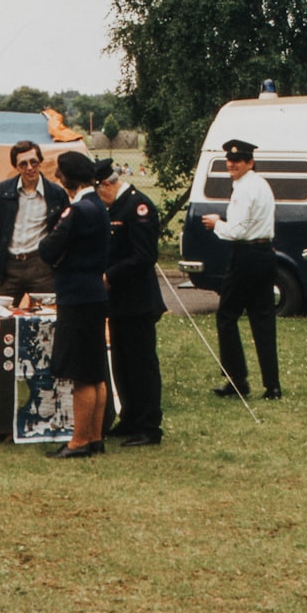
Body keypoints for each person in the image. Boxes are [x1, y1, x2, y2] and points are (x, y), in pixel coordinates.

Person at [38, 151, 111, 458]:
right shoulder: (100, 205)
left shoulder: (78, 210)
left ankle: (78, 441)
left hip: (76, 294)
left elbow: (48, 247)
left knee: (80, 372)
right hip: (94, 291)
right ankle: (94, 436)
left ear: (68, 178)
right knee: (96, 371)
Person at [201, 139, 282, 400]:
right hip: (265, 254)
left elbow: (236, 231)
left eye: (238, 160)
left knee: (226, 316)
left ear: (250, 162)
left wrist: (216, 224)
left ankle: (237, 381)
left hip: (245, 255)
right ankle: (272, 385)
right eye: (229, 160)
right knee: (263, 320)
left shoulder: (245, 189)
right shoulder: (261, 184)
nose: (232, 164)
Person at [95, 158, 166, 447]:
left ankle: (149, 425)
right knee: (122, 364)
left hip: (138, 301)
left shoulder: (139, 207)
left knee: (141, 364)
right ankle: (130, 416)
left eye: (98, 191)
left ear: (107, 185)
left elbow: (144, 256)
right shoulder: (116, 207)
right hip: (120, 302)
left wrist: (109, 276)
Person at [0, 140, 70, 307]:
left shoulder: (56, 194)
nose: (29, 168)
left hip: (41, 266)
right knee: (1, 318)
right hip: (9, 267)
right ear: (16, 167)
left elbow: (65, 234)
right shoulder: (3, 191)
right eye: (23, 164)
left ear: (40, 162)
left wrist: (59, 268)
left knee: (46, 320)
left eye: (33, 162)